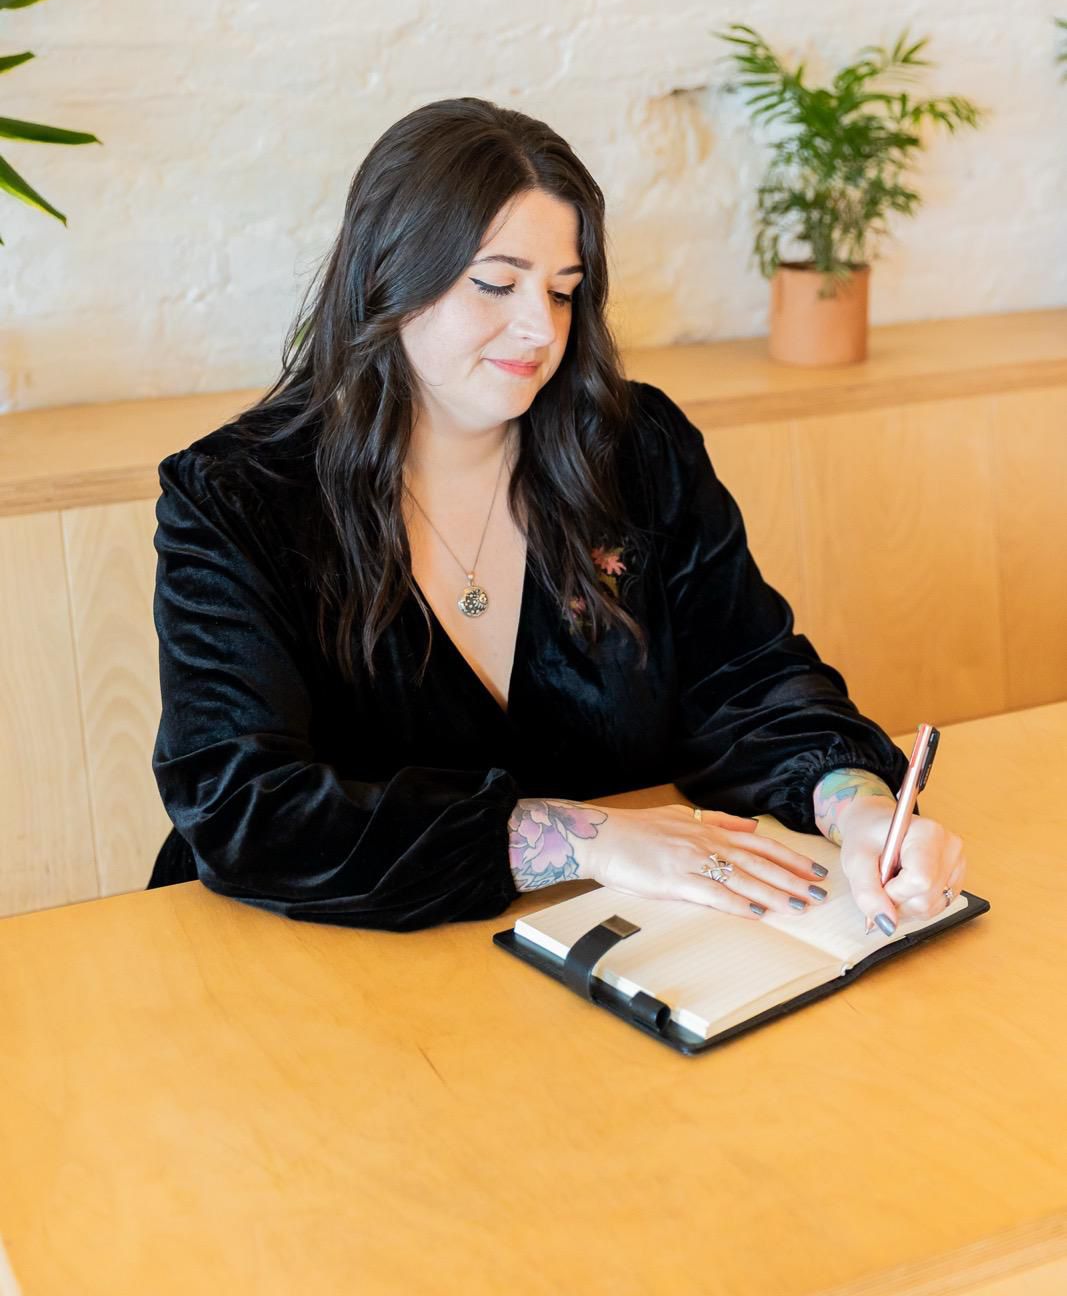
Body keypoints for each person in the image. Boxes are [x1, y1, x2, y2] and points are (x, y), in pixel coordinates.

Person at [148, 96, 966, 934]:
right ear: (385, 277)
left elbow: (749, 682)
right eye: (496, 284)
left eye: (565, 292)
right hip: (310, 959)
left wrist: (858, 811)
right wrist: (587, 838)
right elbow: (243, 808)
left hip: (603, 944)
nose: (540, 328)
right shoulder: (238, 498)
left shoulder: (633, 449)